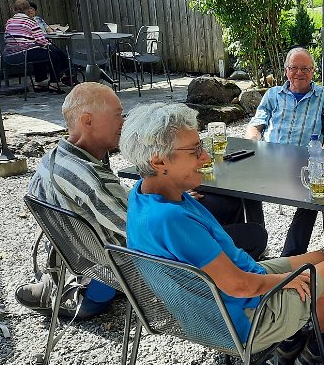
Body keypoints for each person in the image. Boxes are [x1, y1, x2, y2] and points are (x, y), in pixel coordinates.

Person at [122, 103, 324, 365]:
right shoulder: (170, 220)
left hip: (225, 293)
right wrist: (284, 281)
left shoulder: (144, 194)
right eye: (195, 151)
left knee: (319, 257)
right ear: (158, 161)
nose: (205, 157)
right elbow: (239, 286)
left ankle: (292, 335)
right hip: (241, 318)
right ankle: (318, 345)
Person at [18, 83, 269, 319]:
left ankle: (229, 267)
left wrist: (171, 195)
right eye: (118, 114)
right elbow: (139, 228)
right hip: (129, 269)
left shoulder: (54, 159)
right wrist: (173, 208)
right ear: (87, 121)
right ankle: (235, 284)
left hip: (84, 260)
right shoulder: (91, 181)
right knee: (254, 235)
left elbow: (115, 210)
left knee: (221, 203)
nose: (123, 122)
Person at [245, 47, 324, 257]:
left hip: (306, 163)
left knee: (316, 194)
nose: (299, 73)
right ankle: (256, 245)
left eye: (305, 68)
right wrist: (254, 142)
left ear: (313, 71)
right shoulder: (273, 94)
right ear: (286, 70)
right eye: (294, 68)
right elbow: (256, 124)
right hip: (270, 160)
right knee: (242, 186)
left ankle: (290, 257)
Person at [3, 0, 67, 91]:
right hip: (25, 53)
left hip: (10, 54)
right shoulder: (30, 22)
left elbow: (6, 38)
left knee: (41, 53)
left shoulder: (9, 22)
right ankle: (54, 83)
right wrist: (49, 46)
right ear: (27, 9)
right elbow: (41, 40)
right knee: (54, 56)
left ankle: (39, 83)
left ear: (14, 9)